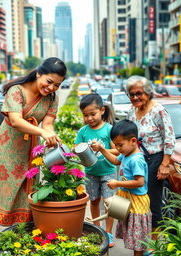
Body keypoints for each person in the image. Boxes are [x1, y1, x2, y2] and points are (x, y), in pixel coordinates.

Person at [0, 57, 67, 226]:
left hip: (32, 148)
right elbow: (17, 121)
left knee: (31, 187)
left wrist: (52, 137)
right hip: (10, 146)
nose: (51, 88)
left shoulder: (52, 98)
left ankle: (26, 229)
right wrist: (41, 132)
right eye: (49, 82)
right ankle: (9, 232)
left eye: (57, 85)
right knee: (11, 189)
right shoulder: (16, 90)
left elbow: (47, 124)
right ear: (39, 73)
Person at [91, 119, 152, 256]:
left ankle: (142, 252)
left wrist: (118, 183)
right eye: (116, 145)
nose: (118, 149)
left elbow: (139, 182)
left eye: (120, 145)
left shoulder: (136, 160)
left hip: (137, 202)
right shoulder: (126, 154)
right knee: (131, 230)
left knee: (138, 237)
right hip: (126, 198)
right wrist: (102, 149)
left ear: (133, 140)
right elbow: (114, 160)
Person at [125, 75, 175, 240]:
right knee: (138, 200)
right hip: (136, 161)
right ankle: (140, 239)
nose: (135, 97)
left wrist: (165, 164)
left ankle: (154, 244)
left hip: (154, 161)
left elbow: (169, 137)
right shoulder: (131, 112)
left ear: (148, 92)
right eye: (131, 94)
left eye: (139, 93)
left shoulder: (158, 110)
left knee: (153, 203)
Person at [74, 93, 118, 248]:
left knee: (110, 203)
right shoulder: (83, 131)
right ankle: (97, 229)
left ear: (102, 111)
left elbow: (117, 152)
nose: (89, 118)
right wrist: (80, 149)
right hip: (91, 173)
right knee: (94, 201)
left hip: (108, 172)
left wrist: (101, 149)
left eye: (93, 114)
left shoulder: (109, 129)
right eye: (85, 115)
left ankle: (108, 231)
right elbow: (75, 147)